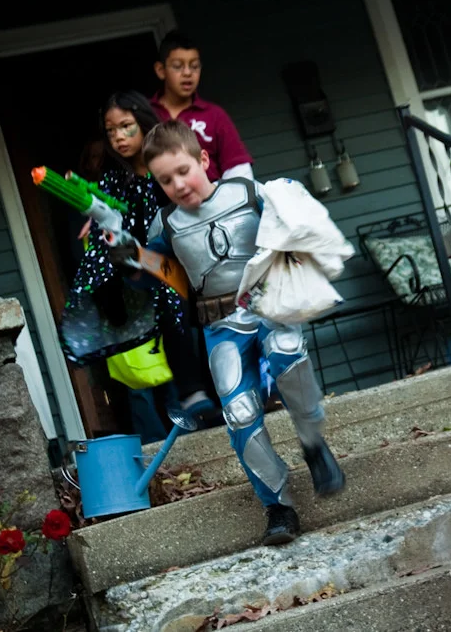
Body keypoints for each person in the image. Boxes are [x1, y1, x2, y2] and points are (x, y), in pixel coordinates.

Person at [111, 120, 346, 545]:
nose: (178, 185)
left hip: (269, 305)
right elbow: (162, 275)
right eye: (165, 180)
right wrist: (131, 258)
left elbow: (295, 227)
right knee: (238, 412)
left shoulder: (249, 193)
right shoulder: (166, 224)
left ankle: (313, 444)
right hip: (220, 326)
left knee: (288, 355)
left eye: (183, 171)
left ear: (203, 159)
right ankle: (278, 506)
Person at [61, 91, 214, 430]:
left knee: (203, 344)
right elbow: (105, 238)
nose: (118, 137)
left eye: (126, 126)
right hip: (143, 280)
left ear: (143, 122)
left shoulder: (170, 169)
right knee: (149, 371)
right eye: (110, 130)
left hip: (192, 268)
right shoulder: (111, 182)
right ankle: (183, 419)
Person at [150, 30, 254, 182]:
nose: (187, 73)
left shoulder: (214, 115)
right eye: (178, 66)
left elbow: (238, 170)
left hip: (212, 194)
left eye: (194, 66)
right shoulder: (146, 113)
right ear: (161, 70)